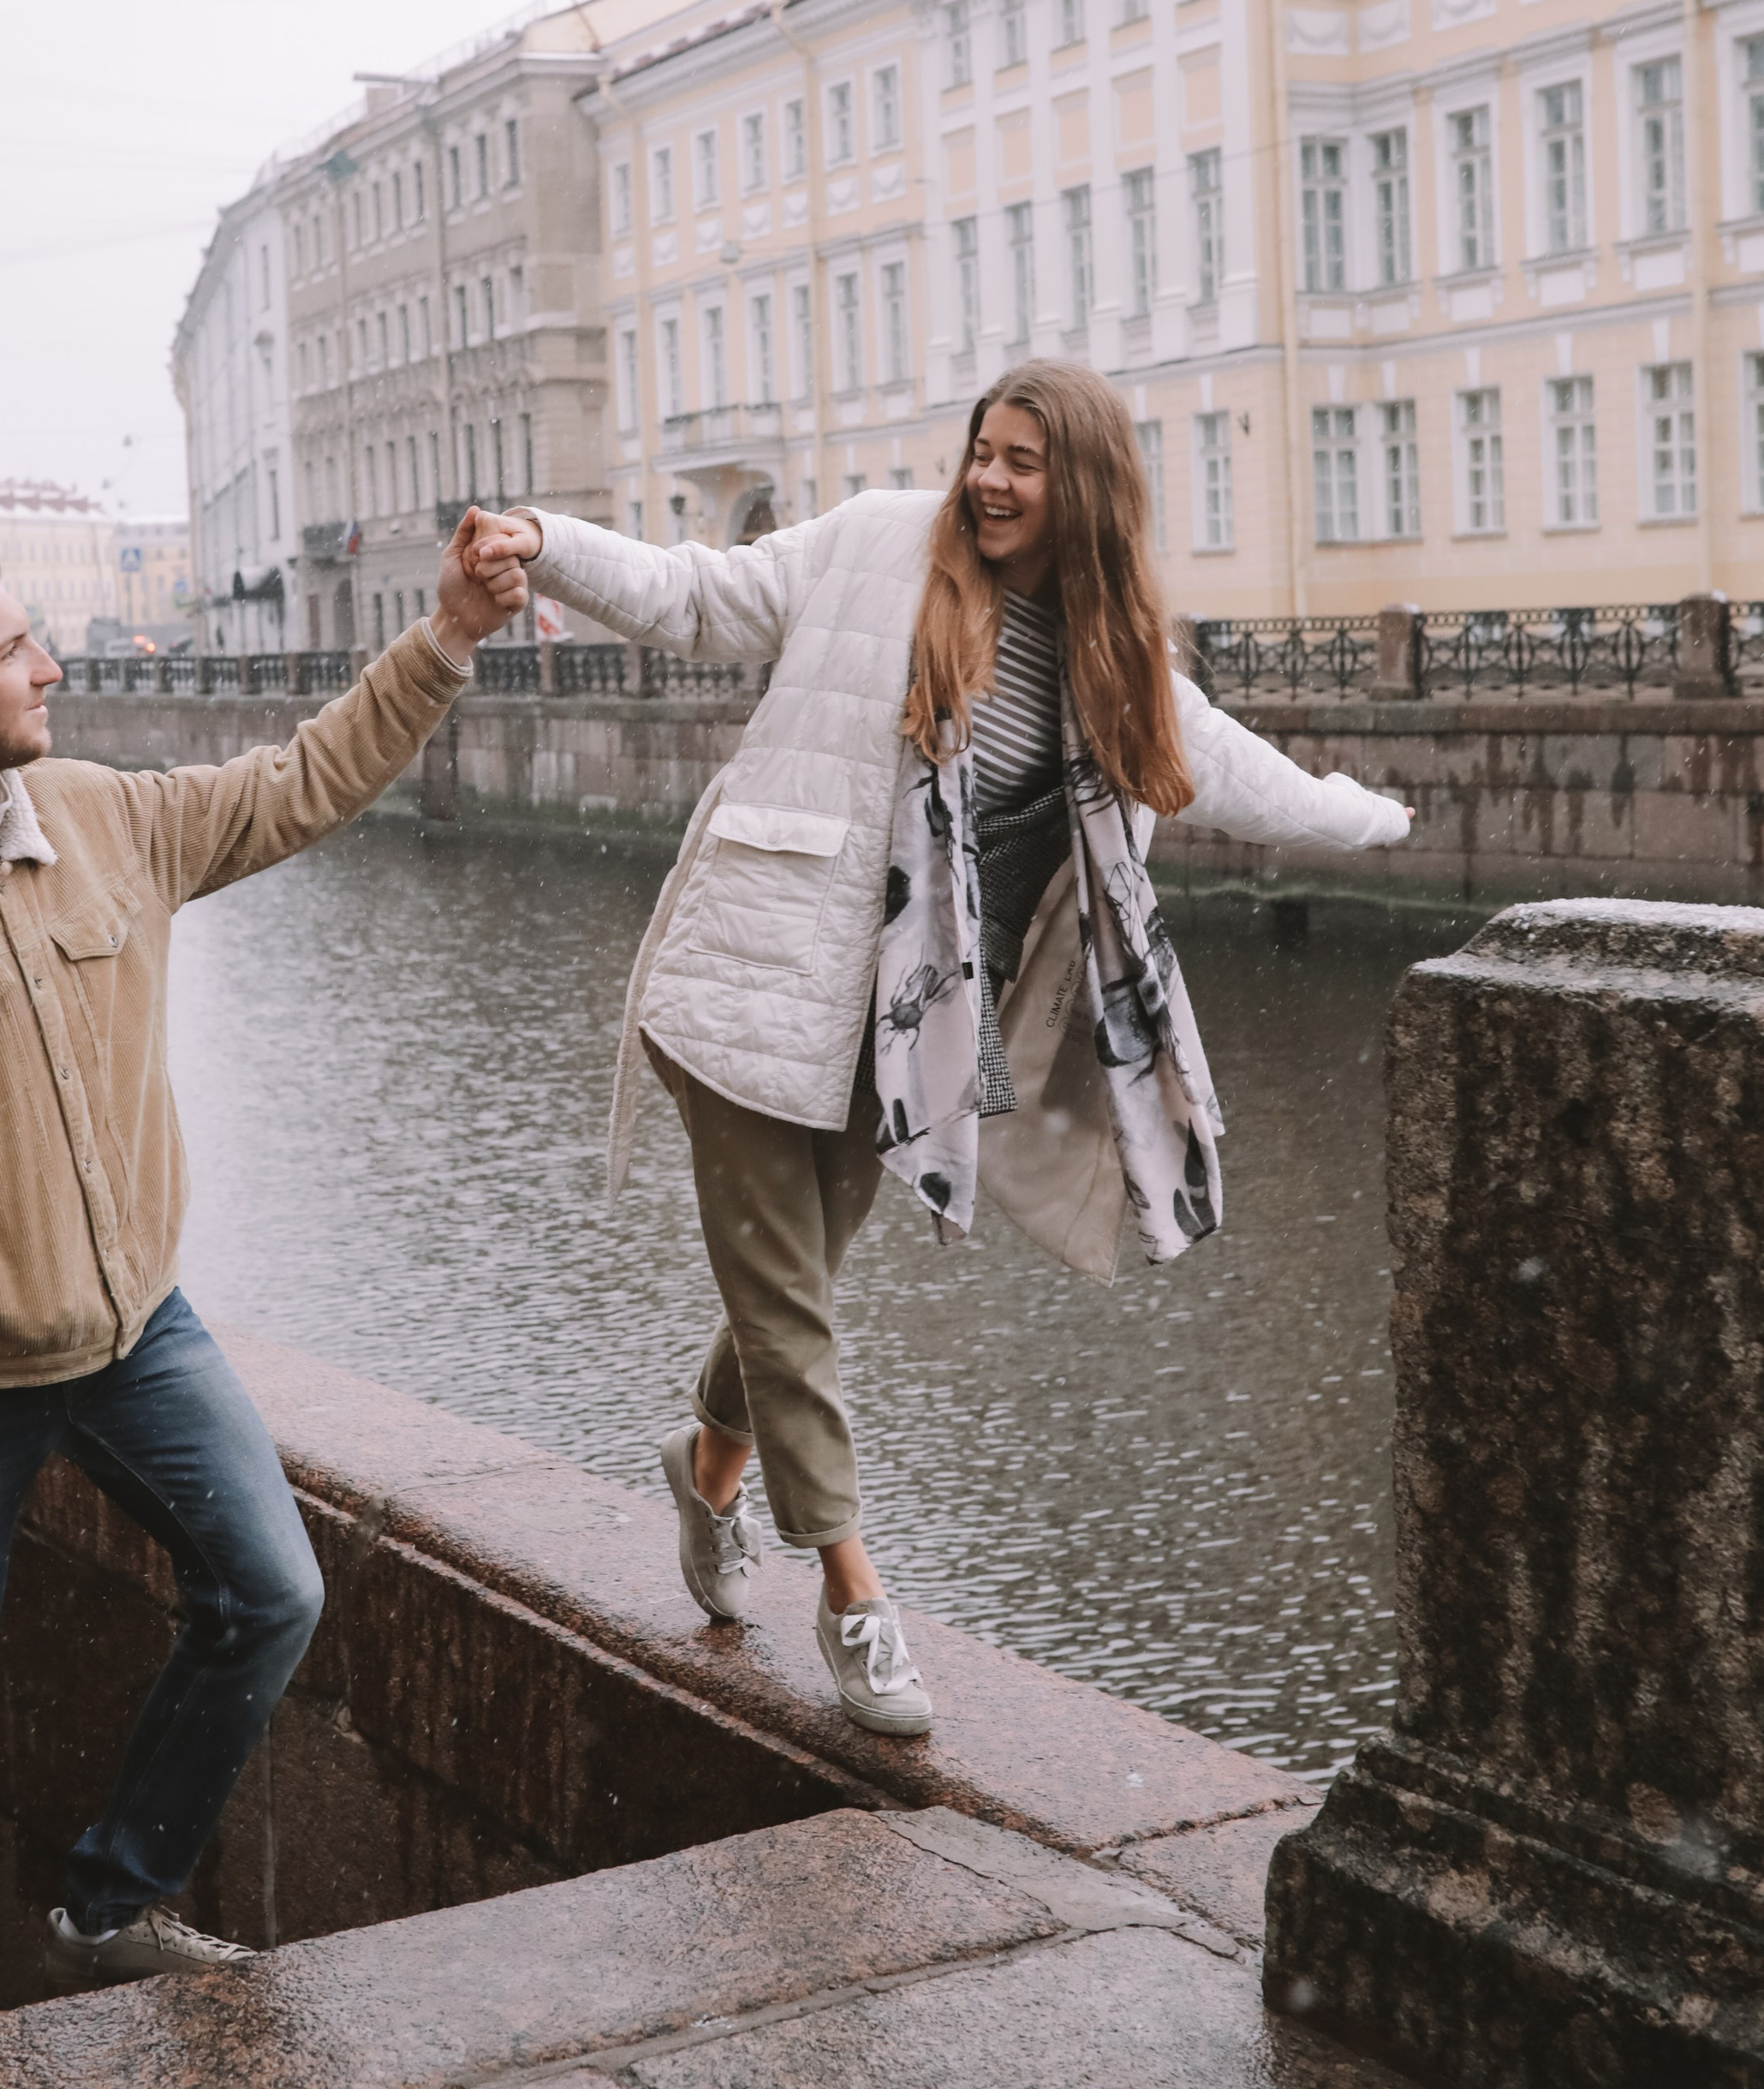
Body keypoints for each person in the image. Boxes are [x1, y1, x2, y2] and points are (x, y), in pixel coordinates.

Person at [465, 363, 1409, 1740]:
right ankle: (851, 1590)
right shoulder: (873, 543)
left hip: (899, 1021)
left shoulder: (1104, 646)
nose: (992, 480)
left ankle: (708, 1466)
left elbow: (1215, 765)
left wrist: (1366, 819)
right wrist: (549, 540)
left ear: (1081, 484)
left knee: (799, 1277)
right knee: (789, 1300)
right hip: (748, 970)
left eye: (1025, 460)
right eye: (984, 451)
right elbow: (697, 595)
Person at [0, 522, 527, 2029]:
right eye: (14, 648)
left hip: (139, 1329)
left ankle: (109, 1901)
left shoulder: (94, 815)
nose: (53, 664)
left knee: (272, 1591)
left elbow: (300, 785)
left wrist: (449, 634)